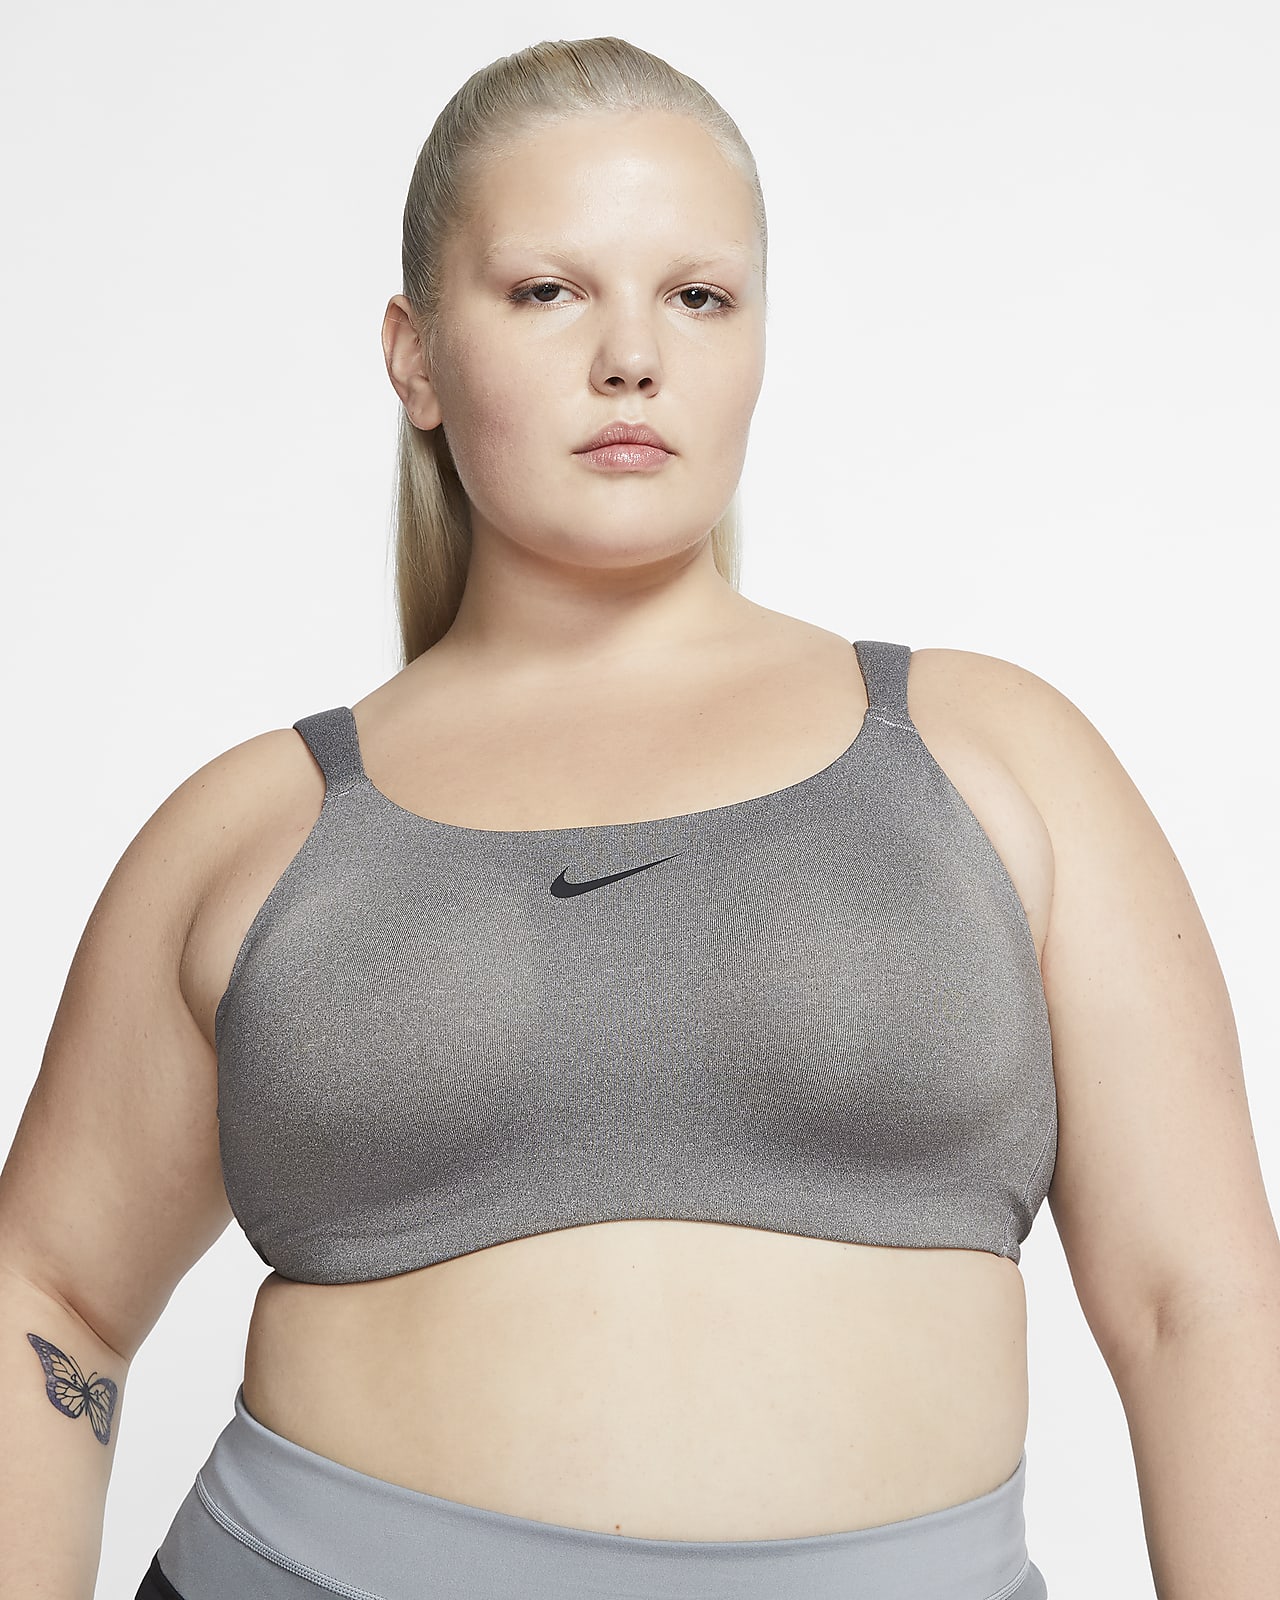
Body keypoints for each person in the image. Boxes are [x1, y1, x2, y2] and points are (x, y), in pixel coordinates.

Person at [3, 33, 1276, 1600]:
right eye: (548, 290)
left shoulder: (994, 754)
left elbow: (1198, 1306)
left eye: (699, 296)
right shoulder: (250, 830)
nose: (631, 357)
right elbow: (50, 1293)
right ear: (415, 355)